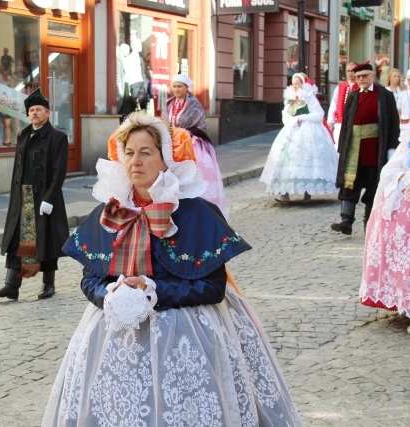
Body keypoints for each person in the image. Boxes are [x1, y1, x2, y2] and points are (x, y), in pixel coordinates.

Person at [42, 113, 303, 426]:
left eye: (146, 152)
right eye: (129, 152)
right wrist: (109, 293)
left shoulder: (195, 213)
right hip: (116, 333)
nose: (135, 161)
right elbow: (90, 279)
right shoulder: (110, 212)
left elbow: (214, 286)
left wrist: (156, 292)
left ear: (166, 159)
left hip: (186, 335)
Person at [0, 88, 69, 300]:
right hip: (22, 197)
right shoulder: (22, 135)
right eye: (32, 110)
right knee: (19, 239)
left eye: (39, 109)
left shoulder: (58, 137)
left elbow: (59, 171)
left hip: (44, 197)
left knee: (46, 240)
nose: (35, 113)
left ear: (48, 113)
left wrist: (49, 199)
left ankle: (48, 285)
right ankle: (11, 285)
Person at [359, 100, 410, 335]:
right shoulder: (409, 144)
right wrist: (406, 178)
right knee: (406, 257)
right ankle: (409, 303)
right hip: (407, 211)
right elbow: (390, 170)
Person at [330, 60, 401, 235]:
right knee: (350, 182)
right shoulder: (353, 96)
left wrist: (392, 149)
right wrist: (342, 149)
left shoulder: (384, 95)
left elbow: (393, 123)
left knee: (373, 183)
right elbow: (346, 123)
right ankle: (346, 220)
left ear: (372, 76)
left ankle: (369, 221)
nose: (360, 79)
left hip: (375, 149)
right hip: (354, 149)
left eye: (364, 76)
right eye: (358, 76)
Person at [261, 73, 338, 203]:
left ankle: (308, 192)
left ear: (303, 84)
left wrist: (302, 118)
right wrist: (293, 120)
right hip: (292, 132)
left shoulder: (309, 98)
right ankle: (284, 192)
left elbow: (319, 115)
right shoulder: (291, 99)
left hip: (309, 132)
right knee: (285, 160)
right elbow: (285, 117)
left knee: (308, 160)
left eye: (297, 83)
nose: (295, 85)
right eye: (293, 83)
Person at [161, 74, 229, 218]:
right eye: (174, 86)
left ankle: (204, 211)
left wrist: (187, 134)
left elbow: (201, 126)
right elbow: (165, 123)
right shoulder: (169, 104)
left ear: (187, 88)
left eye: (180, 86)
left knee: (195, 174)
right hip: (173, 144)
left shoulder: (193, 105)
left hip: (192, 144)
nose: (177, 89)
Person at [327, 61, 357, 149]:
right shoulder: (340, 87)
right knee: (338, 146)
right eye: (348, 71)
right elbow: (334, 104)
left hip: (355, 123)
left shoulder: (360, 87)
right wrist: (331, 121)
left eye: (352, 71)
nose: (350, 73)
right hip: (340, 122)